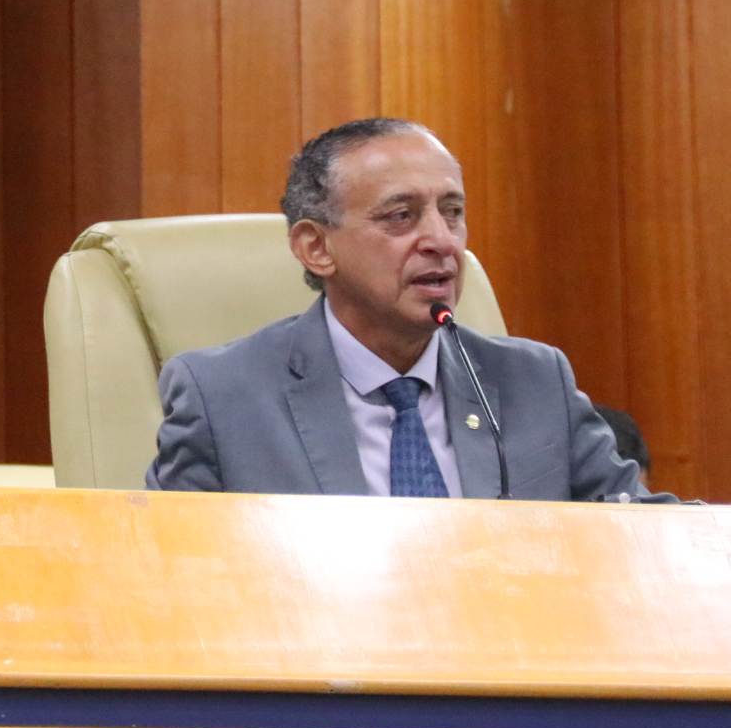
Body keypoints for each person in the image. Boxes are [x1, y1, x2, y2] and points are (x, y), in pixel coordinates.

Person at [147, 118, 656, 501]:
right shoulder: (224, 397)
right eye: (401, 216)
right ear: (316, 248)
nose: (442, 240)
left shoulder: (534, 380)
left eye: (452, 212)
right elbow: (167, 568)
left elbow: (645, 532)